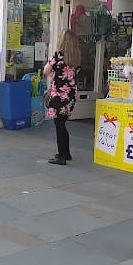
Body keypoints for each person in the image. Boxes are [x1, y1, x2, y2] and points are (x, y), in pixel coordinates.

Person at [44, 29, 81, 165]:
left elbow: (46, 70)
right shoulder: (76, 57)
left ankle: (62, 156)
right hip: (70, 95)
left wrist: (53, 76)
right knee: (62, 123)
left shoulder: (58, 56)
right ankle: (66, 153)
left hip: (59, 95)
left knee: (59, 125)